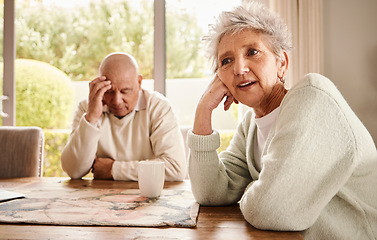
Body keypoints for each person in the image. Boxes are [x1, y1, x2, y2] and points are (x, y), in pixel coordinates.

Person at [188, 2, 377, 239]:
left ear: (282, 63)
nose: (239, 68)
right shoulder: (250, 125)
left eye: (252, 52)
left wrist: (255, 189)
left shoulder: (313, 97)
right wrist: (203, 111)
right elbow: (210, 194)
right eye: (226, 61)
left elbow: (270, 210)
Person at [61, 52, 187, 181]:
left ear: (139, 82)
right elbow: (74, 171)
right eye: (109, 91)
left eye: (125, 91)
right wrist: (91, 118)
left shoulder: (158, 107)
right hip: (101, 197)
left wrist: (114, 169)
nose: (117, 101)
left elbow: (176, 169)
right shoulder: (88, 108)